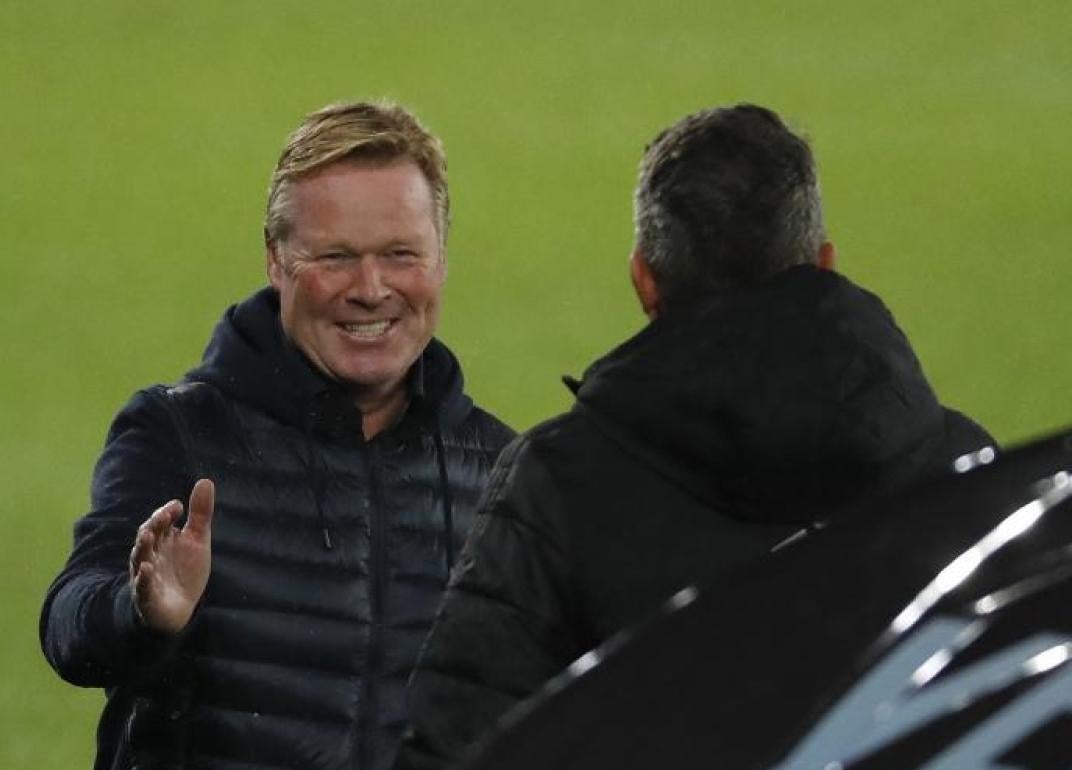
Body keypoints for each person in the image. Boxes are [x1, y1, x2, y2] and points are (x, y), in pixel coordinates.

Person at [394, 104, 994, 770]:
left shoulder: (556, 485)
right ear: (824, 263)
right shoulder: (965, 470)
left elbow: (461, 749)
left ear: (644, 281)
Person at [40, 101, 515, 770]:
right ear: (276, 260)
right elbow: (68, 625)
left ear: (440, 259)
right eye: (336, 257)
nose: (371, 288)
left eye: (400, 254)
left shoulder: (499, 471)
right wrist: (138, 612)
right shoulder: (179, 434)